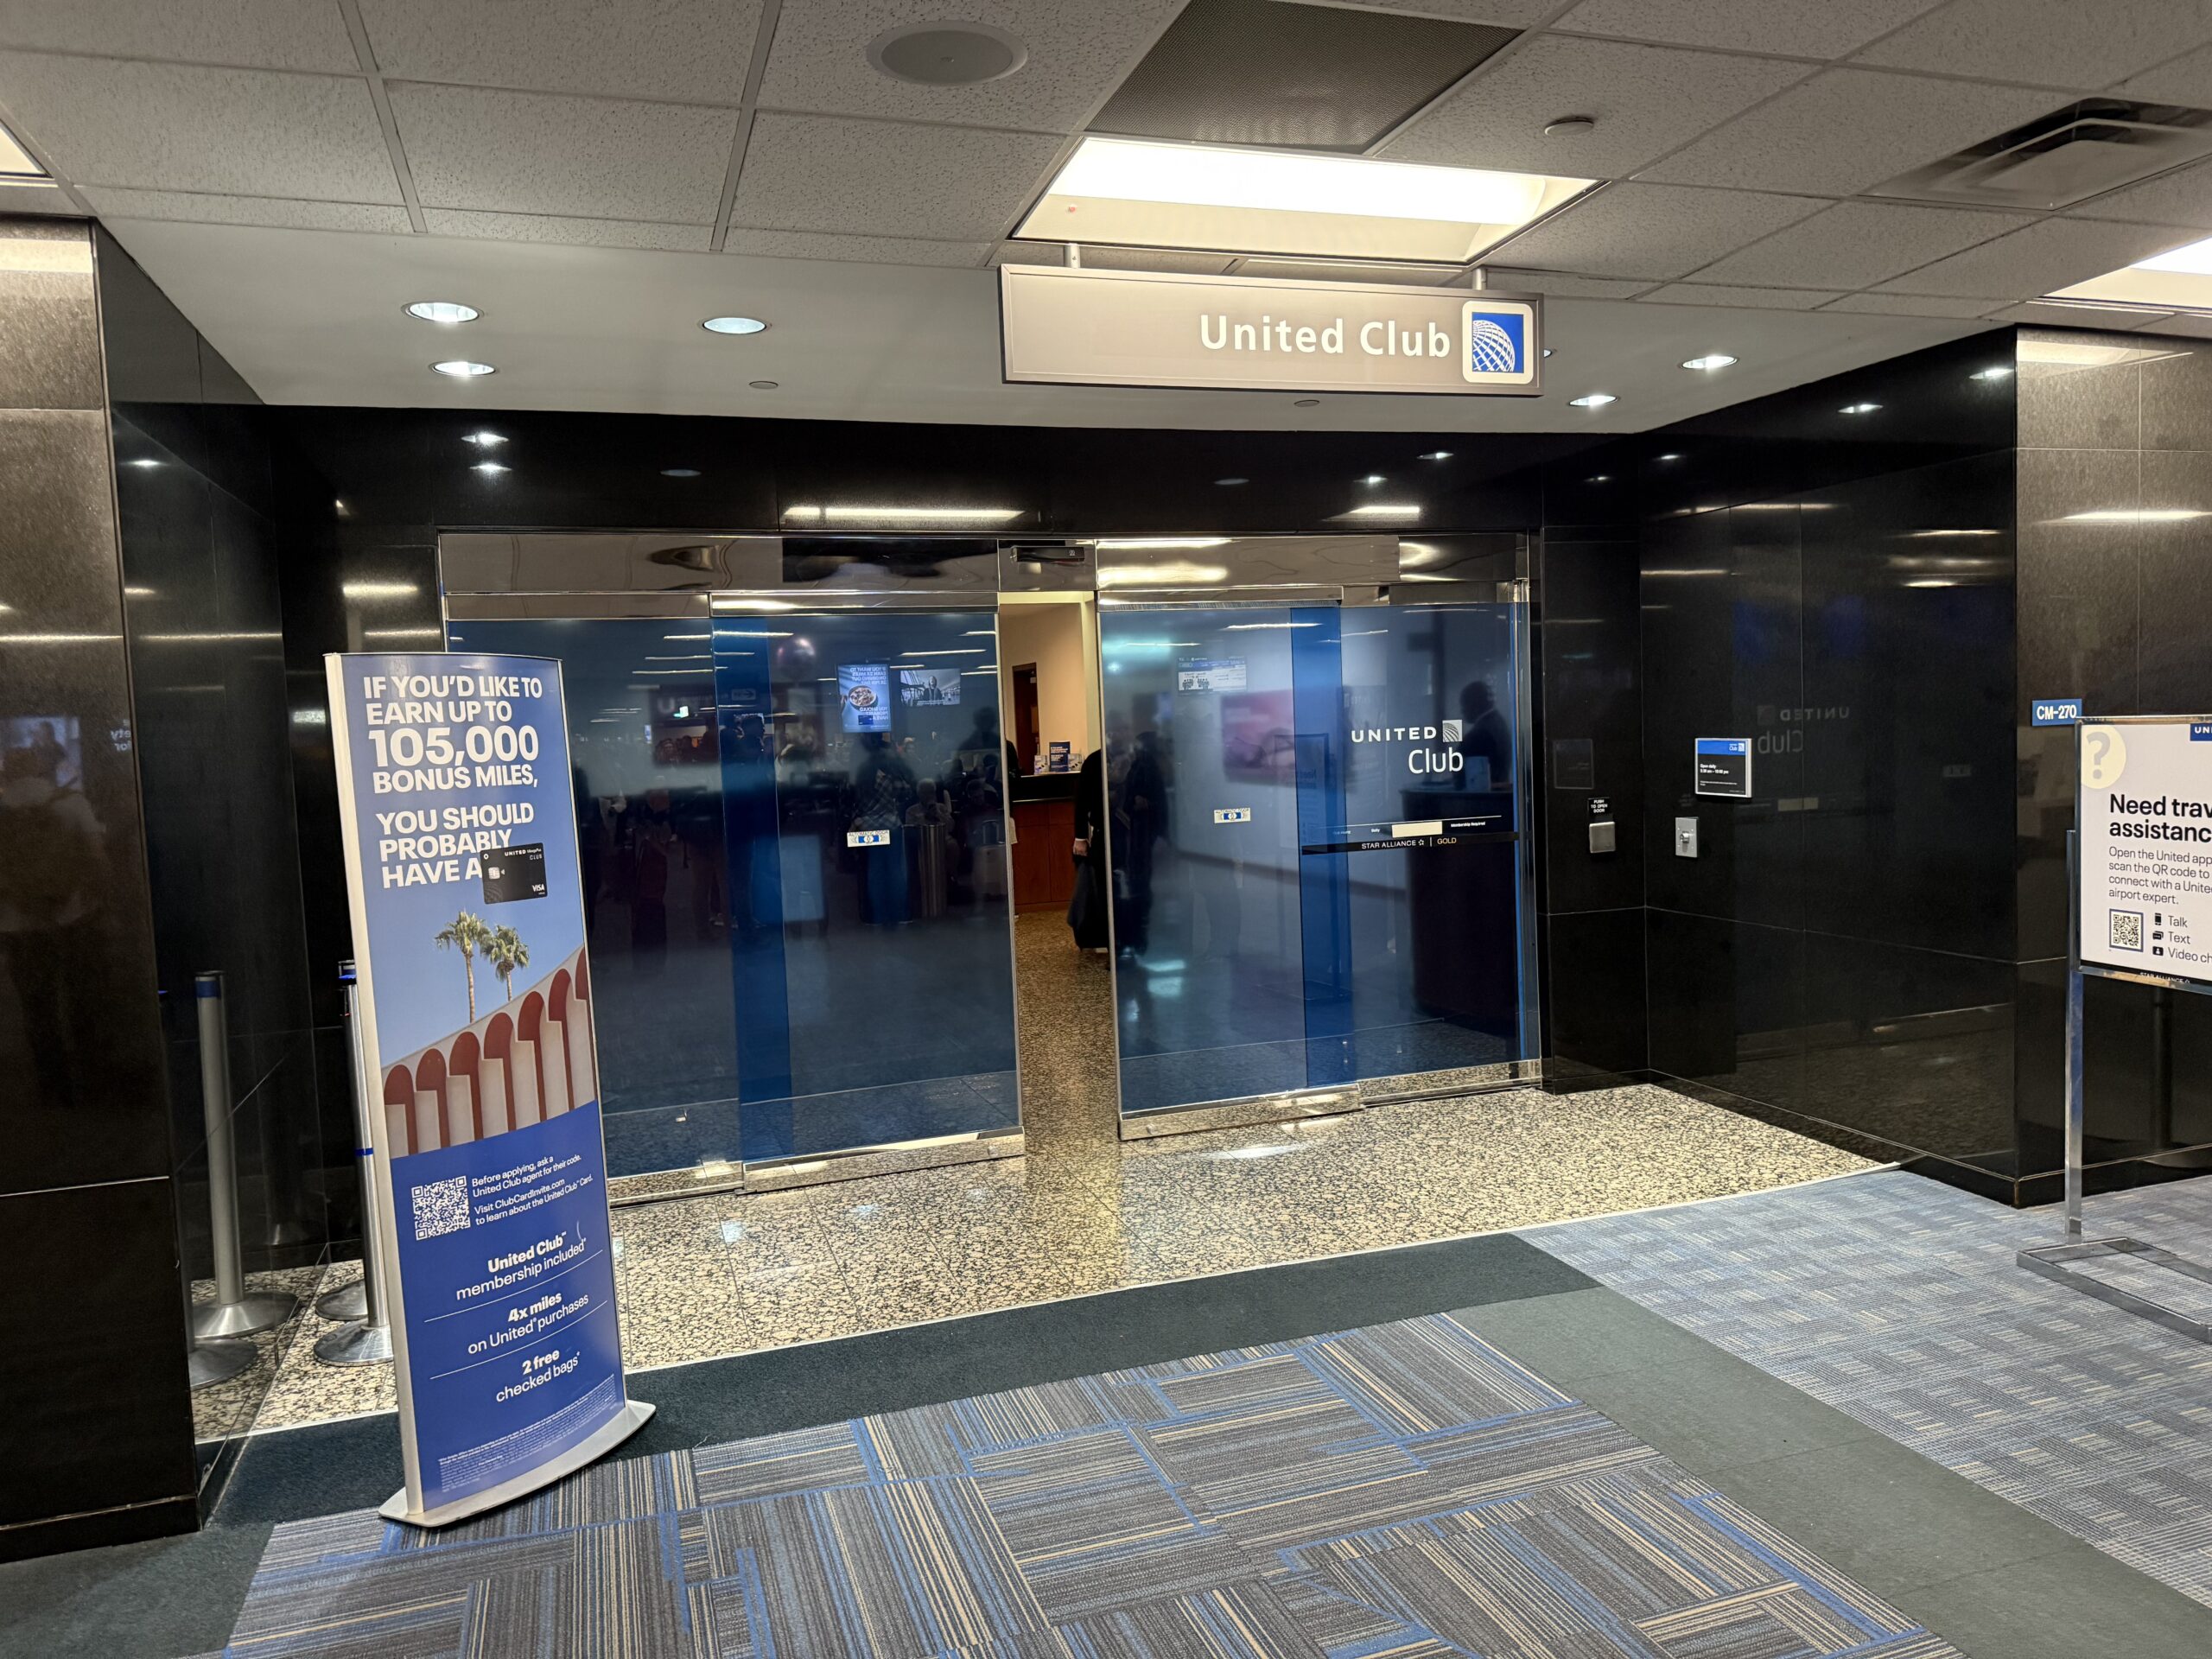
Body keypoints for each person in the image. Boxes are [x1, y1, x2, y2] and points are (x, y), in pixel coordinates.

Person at [1069, 746, 1110, 950]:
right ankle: (1111, 942)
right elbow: (1082, 801)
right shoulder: (1095, 761)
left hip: (1126, 831)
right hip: (1105, 832)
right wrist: (1080, 836)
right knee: (1103, 890)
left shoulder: (1136, 757)